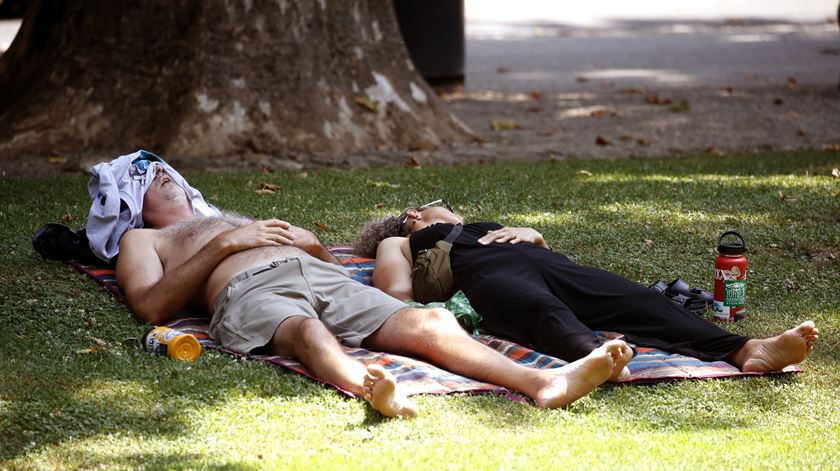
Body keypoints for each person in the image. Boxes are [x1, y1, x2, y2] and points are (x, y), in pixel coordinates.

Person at [113, 166, 635, 418]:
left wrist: (315, 245)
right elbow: (150, 305)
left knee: (430, 323)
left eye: (162, 167)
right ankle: (371, 388)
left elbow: (326, 264)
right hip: (249, 290)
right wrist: (227, 244)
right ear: (130, 201)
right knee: (306, 332)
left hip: (324, 276)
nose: (160, 171)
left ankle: (542, 383)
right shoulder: (144, 238)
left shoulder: (231, 217)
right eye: (145, 173)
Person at [354, 200, 819, 376]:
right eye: (440, 204)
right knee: (541, 311)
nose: (451, 210)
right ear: (415, 214)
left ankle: (746, 350)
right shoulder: (402, 239)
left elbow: (543, 252)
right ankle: (594, 357)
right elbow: (396, 297)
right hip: (485, 277)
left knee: (637, 299)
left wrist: (535, 236)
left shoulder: (485, 224)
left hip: (548, 263)